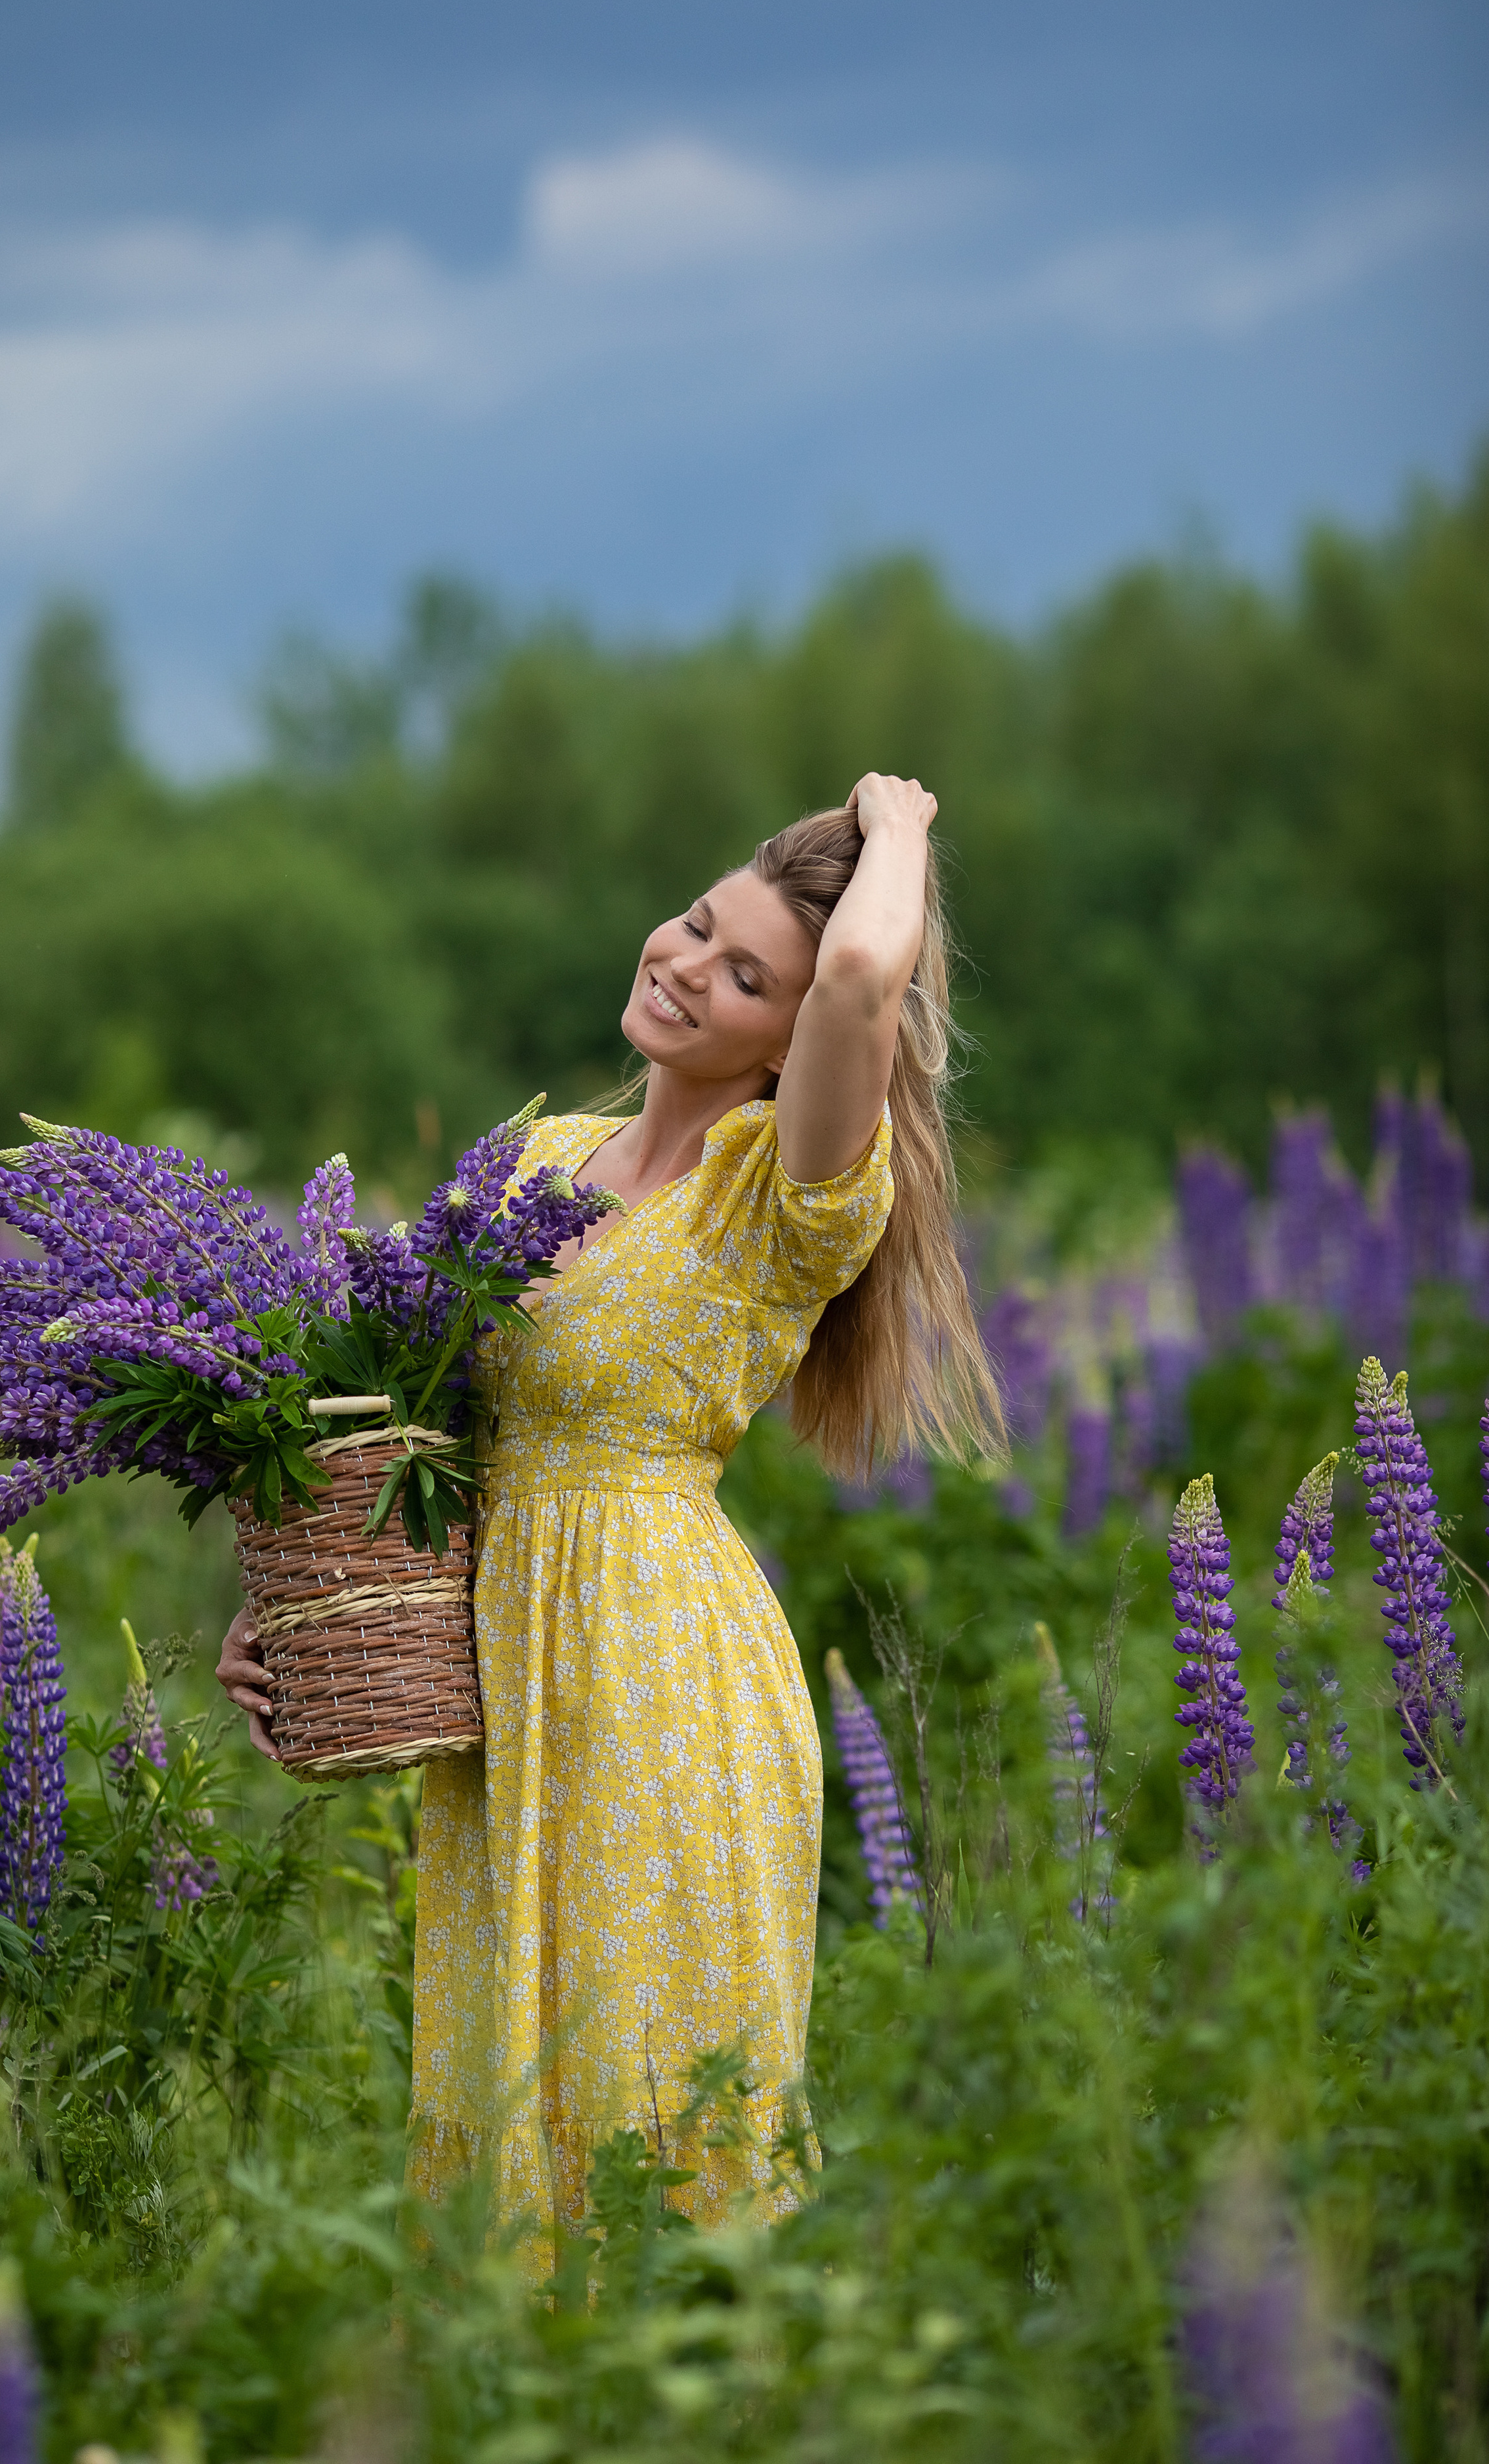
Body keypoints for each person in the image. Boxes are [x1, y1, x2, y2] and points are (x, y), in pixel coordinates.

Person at [217, 771, 1001, 2238]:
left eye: (745, 974)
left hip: (662, 1679)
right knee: (506, 2093)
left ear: (789, 1036)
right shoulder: (528, 1165)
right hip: (511, 1671)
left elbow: (860, 977)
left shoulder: (787, 1190)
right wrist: (294, 1610)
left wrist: (897, 829)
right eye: (698, 926)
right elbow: (409, 1438)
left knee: (655, 2099)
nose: (690, 966)